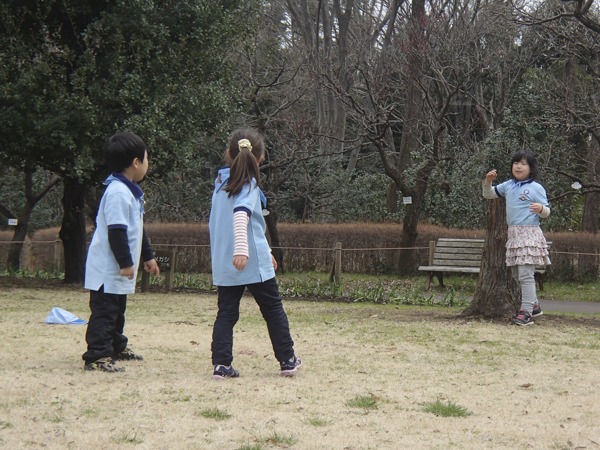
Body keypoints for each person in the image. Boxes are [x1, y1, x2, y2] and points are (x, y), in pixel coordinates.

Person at [209, 129, 302, 379]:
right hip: (249, 261)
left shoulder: (219, 185)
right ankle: (287, 360)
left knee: (226, 313)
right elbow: (242, 216)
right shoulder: (248, 184)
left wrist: (266, 250)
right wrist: (244, 250)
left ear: (228, 154)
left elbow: (252, 226)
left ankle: (221, 364)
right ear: (259, 159)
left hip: (226, 263)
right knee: (272, 309)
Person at [82, 132, 160, 372]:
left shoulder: (130, 191)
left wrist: (148, 256)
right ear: (136, 162)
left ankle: (116, 346)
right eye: (146, 158)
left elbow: (138, 229)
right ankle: (97, 356)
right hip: (108, 268)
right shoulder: (117, 192)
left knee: (117, 312)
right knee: (105, 313)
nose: (148, 163)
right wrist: (126, 263)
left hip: (117, 269)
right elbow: (117, 232)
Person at [482, 150, 551, 326]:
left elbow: (547, 212)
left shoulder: (536, 187)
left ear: (531, 168)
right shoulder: (508, 185)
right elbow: (489, 194)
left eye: (523, 163)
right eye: (516, 163)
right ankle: (534, 306)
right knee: (516, 274)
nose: (518, 166)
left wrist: (541, 209)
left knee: (526, 275)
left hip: (529, 235)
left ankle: (526, 313)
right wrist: (488, 182)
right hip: (513, 234)